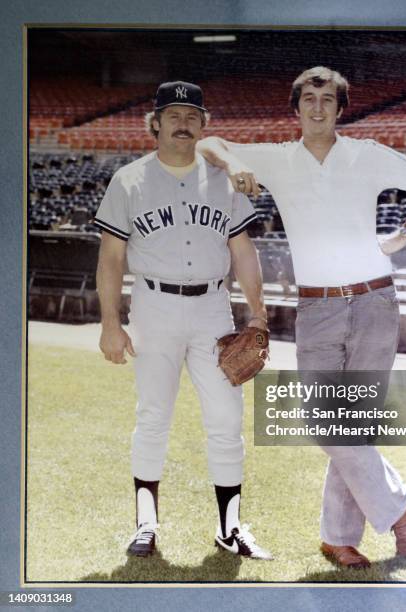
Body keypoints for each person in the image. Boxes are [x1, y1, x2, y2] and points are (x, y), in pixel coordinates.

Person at [198, 66, 406, 568]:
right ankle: (401, 503)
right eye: (309, 99)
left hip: (373, 300)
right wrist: (232, 163)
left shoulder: (367, 154)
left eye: (328, 100)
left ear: (341, 109)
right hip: (316, 305)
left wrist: (404, 236)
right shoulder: (275, 159)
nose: (318, 107)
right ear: (295, 109)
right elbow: (210, 140)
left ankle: (339, 538)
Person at [94, 80, 272, 560]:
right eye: (172, 115)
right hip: (153, 307)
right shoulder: (128, 180)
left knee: (226, 418)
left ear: (203, 124)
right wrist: (110, 323)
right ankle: (146, 525)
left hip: (214, 308)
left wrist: (256, 312)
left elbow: (243, 249)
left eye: (192, 116)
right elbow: (111, 259)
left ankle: (230, 529)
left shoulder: (223, 181)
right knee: (153, 416)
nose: (182, 123)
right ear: (155, 122)